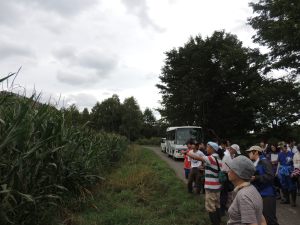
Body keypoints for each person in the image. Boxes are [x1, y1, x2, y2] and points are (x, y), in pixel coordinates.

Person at [187, 141, 222, 225]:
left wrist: (187, 152)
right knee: (217, 205)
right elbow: (214, 170)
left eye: (207, 147)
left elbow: (196, 157)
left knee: (210, 207)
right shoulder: (219, 159)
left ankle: (215, 223)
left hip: (211, 187)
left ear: (212, 149)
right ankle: (219, 221)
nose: (206, 149)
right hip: (218, 187)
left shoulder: (210, 158)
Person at [226, 155, 266, 225]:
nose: (228, 171)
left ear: (238, 173)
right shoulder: (251, 188)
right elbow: (262, 220)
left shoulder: (243, 196)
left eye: (231, 168)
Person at [247, 146, 278, 225]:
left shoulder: (264, 161)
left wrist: (256, 178)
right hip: (260, 194)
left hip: (267, 194)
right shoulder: (256, 162)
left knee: (270, 219)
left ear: (256, 152)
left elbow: (271, 176)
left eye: (250, 152)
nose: (248, 154)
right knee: (262, 219)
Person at [220, 144, 240, 216]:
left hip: (229, 175)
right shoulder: (227, 156)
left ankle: (225, 206)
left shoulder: (231, 155)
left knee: (229, 192)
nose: (235, 153)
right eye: (235, 151)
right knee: (224, 193)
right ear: (232, 149)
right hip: (225, 175)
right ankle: (221, 210)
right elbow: (233, 167)